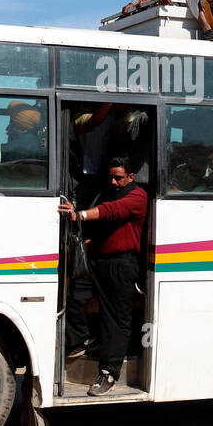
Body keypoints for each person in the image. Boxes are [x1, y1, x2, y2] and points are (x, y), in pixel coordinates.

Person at [59, 157, 148, 396]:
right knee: (75, 297)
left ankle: (109, 373)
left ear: (131, 177)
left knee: (115, 320)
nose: (113, 181)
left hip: (121, 265)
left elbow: (111, 213)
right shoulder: (109, 193)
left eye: (118, 177)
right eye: (111, 177)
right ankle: (78, 343)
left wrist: (79, 216)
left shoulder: (137, 196)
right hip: (98, 260)